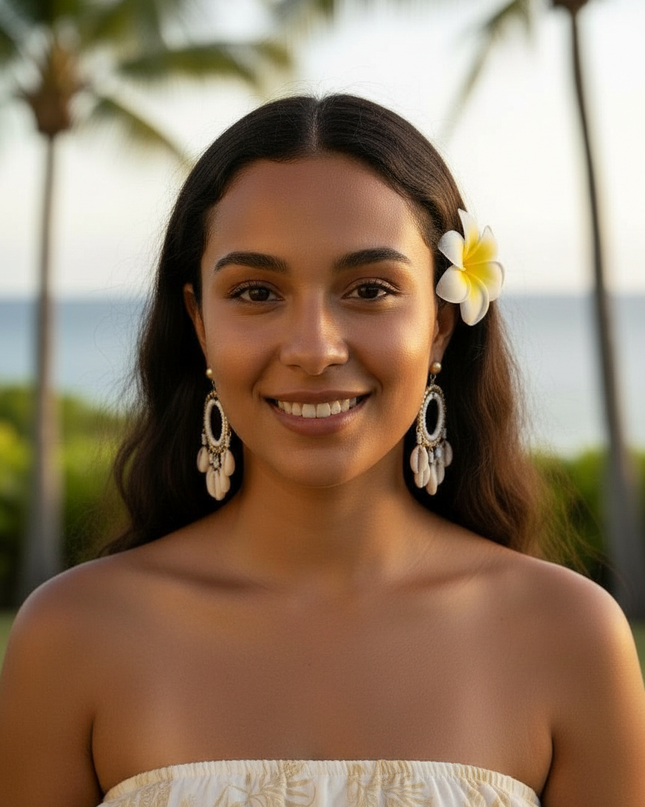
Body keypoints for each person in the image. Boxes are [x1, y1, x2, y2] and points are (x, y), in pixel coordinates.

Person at [0, 94, 644, 807]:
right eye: (255, 291)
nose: (312, 348)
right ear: (199, 323)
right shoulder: (73, 635)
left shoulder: (571, 638)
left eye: (368, 288)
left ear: (439, 325)